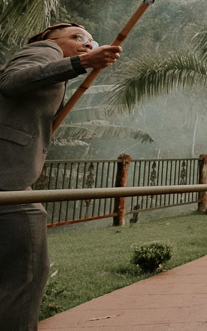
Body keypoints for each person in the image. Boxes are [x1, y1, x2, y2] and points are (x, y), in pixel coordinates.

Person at [0, 22, 122, 330]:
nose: (86, 44)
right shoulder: (43, 50)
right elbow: (12, 81)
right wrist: (83, 62)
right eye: (77, 37)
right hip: (7, 179)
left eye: (91, 43)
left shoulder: (57, 71)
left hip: (13, 177)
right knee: (27, 270)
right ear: (49, 38)